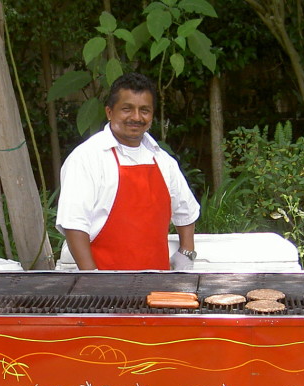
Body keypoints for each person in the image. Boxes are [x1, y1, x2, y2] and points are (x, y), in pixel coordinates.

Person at [56, 72, 200, 270]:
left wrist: (186, 253)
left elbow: (186, 211)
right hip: (105, 283)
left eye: (145, 110)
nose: (136, 117)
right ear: (109, 112)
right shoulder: (87, 158)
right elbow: (74, 224)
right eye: (127, 109)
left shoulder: (163, 161)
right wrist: (91, 279)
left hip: (159, 283)